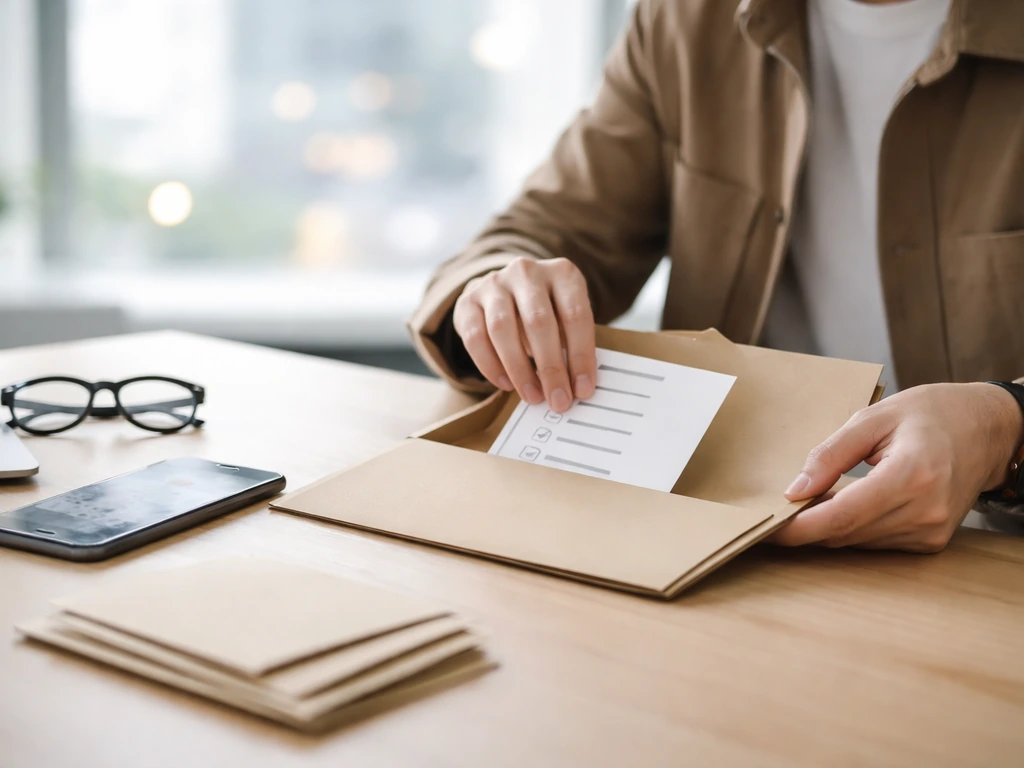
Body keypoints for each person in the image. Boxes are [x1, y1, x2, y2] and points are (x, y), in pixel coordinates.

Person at [407, 0, 1024, 553]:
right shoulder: (684, 19)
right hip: (708, 542)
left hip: (990, 561)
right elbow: (545, 228)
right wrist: (494, 291)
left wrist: (1005, 428)